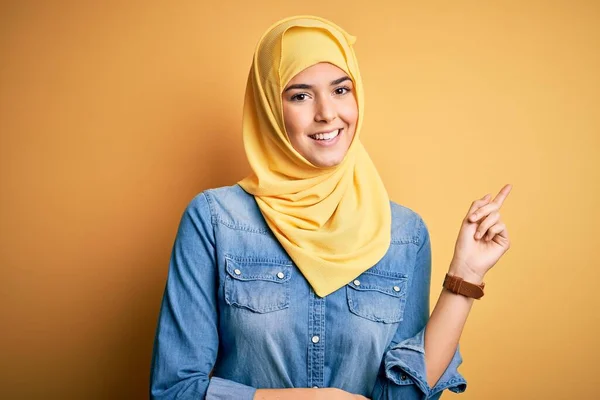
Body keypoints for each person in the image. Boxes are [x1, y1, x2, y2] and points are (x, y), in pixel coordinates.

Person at [149, 15, 512, 400]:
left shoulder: (404, 232)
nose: (327, 113)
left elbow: (404, 396)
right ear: (270, 109)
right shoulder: (215, 220)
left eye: (341, 90)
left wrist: (465, 275)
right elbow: (175, 391)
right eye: (300, 95)